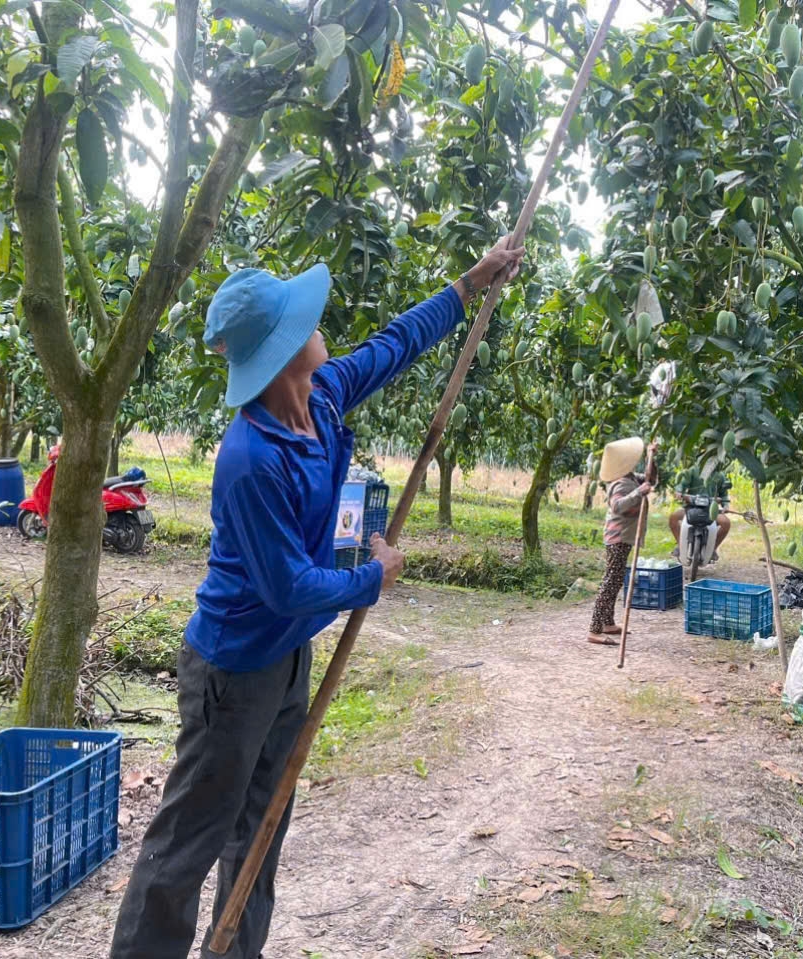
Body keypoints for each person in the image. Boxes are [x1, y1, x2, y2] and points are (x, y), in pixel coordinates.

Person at [109, 237, 524, 959]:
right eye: (304, 321)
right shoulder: (251, 460)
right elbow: (289, 587)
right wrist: (374, 575)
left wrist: (468, 286)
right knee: (187, 845)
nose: (320, 325)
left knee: (262, 828)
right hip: (232, 673)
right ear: (284, 349)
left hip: (286, 661)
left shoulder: (322, 396)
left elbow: (395, 345)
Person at [587, 437, 657, 646]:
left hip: (622, 537)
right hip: (618, 538)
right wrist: (638, 493)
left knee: (616, 580)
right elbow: (618, 506)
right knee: (610, 581)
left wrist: (651, 457)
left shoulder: (630, 477)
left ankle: (608, 622)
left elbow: (649, 480)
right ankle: (594, 629)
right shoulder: (620, 483)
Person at [669, 472, 730, 565]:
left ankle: (712, 549)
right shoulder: (693, 471)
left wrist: (725, 506)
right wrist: (679, 492)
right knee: (673, 518)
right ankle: (680, 545)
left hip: (710, 510)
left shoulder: (720, 475)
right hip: (691, 507)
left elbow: (724, 495)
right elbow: (682, 484)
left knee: (726, 523)